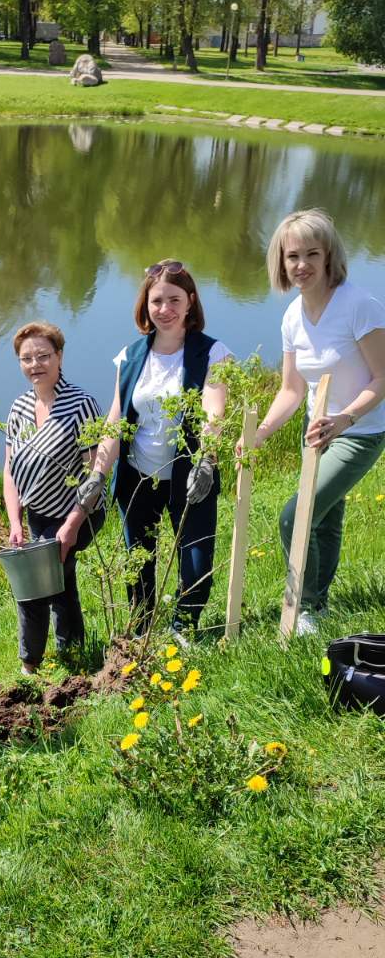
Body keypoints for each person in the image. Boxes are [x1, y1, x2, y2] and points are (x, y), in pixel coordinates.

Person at [245, 208, 385, 634]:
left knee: (296, 516)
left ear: (329, 257)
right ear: (281, 262)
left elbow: (383, 377)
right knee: (325, 518)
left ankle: (307, 607)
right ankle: (321, 606)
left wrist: (344, 419)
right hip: (318, 430)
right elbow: (291, 389)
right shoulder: (292, 316)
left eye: (311, 253)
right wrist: (262, 433)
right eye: (292, 256)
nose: (301, 265)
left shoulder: (359, 305)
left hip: (361, 430)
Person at [77, 261, 231, 641]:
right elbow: (116, 420)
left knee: (195, 560)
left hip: (189, 474)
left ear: (191, 302)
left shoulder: (212, 354)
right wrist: (98, 473)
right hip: (136, 476)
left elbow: (214, 413)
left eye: (174, 300)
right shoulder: (130, 356)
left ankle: (183, 628)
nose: (165, 309)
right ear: (145, 304)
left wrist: (207, 462)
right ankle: (139, 629)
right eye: (156, 300)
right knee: (138, 559)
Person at [3, 321, 105, 673]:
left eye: (43, 356)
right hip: (39, 515)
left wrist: (74, 523)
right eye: (26, 358)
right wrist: (15, 521)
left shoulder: (81, 405)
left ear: (60, 356)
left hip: (81, 511)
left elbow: (96, 472)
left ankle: (29, 666)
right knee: (61, 583)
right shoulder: (18, 408)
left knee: (34, 584)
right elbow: (9, 470)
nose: (36, 365)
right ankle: (73, 656)